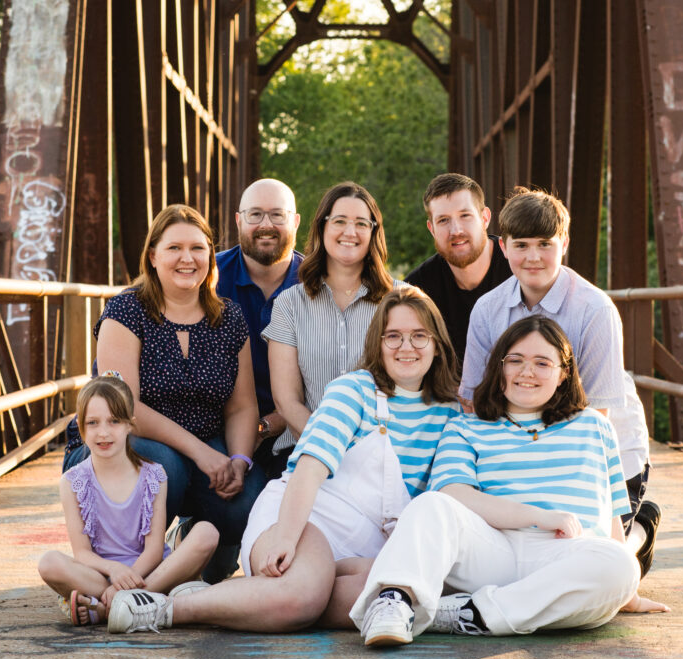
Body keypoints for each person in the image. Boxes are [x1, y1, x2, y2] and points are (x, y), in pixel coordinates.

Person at [103, 287, 462, 635]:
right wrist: (287, 538)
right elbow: (309, 468)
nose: (406, 347)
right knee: (301, 595)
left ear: (437, 344)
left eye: (419, 336)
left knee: (395, 594)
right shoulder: (353, 390)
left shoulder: (452, 414)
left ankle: (226, 600)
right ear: (377, 344)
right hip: (303, 517)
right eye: (393, 336)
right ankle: (161, 608)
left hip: (368, 545)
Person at [351, 317, 668, 647]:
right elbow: (452, 492)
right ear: (498, 368)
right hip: (492, 550)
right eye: (515, 360)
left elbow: (612, 516)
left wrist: (626, 592)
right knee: (431, 504)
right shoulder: (467, 427)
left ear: (563, 373)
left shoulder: (593, 426)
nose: (526, 372)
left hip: (566, 556)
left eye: (542, 363)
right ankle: (395, 603)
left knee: (620, 563)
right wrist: (536, 516)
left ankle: (468, 614)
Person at [62, 204, 267, 583]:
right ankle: (119, 569)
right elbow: (125, 409)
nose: (187, 259)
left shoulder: (229, 317)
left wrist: (238, 459)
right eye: (174, 248)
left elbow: (242, 406)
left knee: (247, 500)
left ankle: (185, 545)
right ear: (153, 256)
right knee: (159, 467)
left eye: (198, 248)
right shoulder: (127, 310)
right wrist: (203, 452)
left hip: (203, 448)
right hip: (121, 444)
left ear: (210, 255)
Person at [460, 188, 659, 575]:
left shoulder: (595, 309)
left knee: (590, 565)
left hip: (601, 452)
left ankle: (641, 529)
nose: (533, 257)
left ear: (564, 243)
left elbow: (596, 417)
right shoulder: (487, 309)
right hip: (523, 447)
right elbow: (474, 401)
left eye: (545, 244)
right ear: (502, 247)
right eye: (521, 245)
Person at [38, 374, 220, 626]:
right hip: (102, 576)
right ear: (81, 428)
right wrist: (114, 571)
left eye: (114, 421)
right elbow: (82, 553)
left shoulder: (154, 475)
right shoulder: (72, 482)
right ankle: (143, 602)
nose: (103, 432)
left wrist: (130, 577)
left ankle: (109, 605)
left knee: (207, 533)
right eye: (92, 423)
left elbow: (155, 550)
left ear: (129, 425)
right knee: (49, 563)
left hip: (150, 572)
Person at [262, 181, 395, 468]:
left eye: (362, 223)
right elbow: (287, 402)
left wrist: (364, 453)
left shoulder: (401, 300)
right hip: (308, 450)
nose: (350, 232)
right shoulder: (289, 304)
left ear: (374, 232)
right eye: (340, 221)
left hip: (385, 454)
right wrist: (333, 447)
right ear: (322, 228)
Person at [216, 179, 303, 480]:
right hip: (220, 431)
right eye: (255, 215)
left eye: (277, 215)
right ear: (239, 220)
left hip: (298, 430)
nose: (266, 225)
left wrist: (265, 426)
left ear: (295, 221)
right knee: (237, 510)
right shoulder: (207, 279)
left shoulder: (318, 286)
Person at [405, 173, 511, 363]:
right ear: (432, 229)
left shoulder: (518, 270)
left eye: (465, 215)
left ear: (485, 218)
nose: (456, 230)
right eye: (443, 220)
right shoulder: (417, 289)